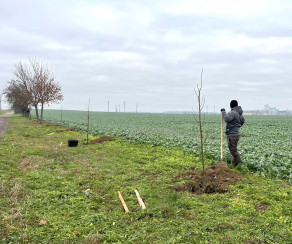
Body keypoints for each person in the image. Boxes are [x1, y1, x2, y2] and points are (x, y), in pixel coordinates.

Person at [221, 100, 245, 166]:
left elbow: (226, 118)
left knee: (233, 150)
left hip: (232, 134)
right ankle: (234, 164)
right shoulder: (239, 113)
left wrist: (223, 112)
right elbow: (242, 121)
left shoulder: (233, 113)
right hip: (236, 133)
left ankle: (240, 162)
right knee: (233, 149)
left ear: (230, 106)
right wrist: (237, 127)